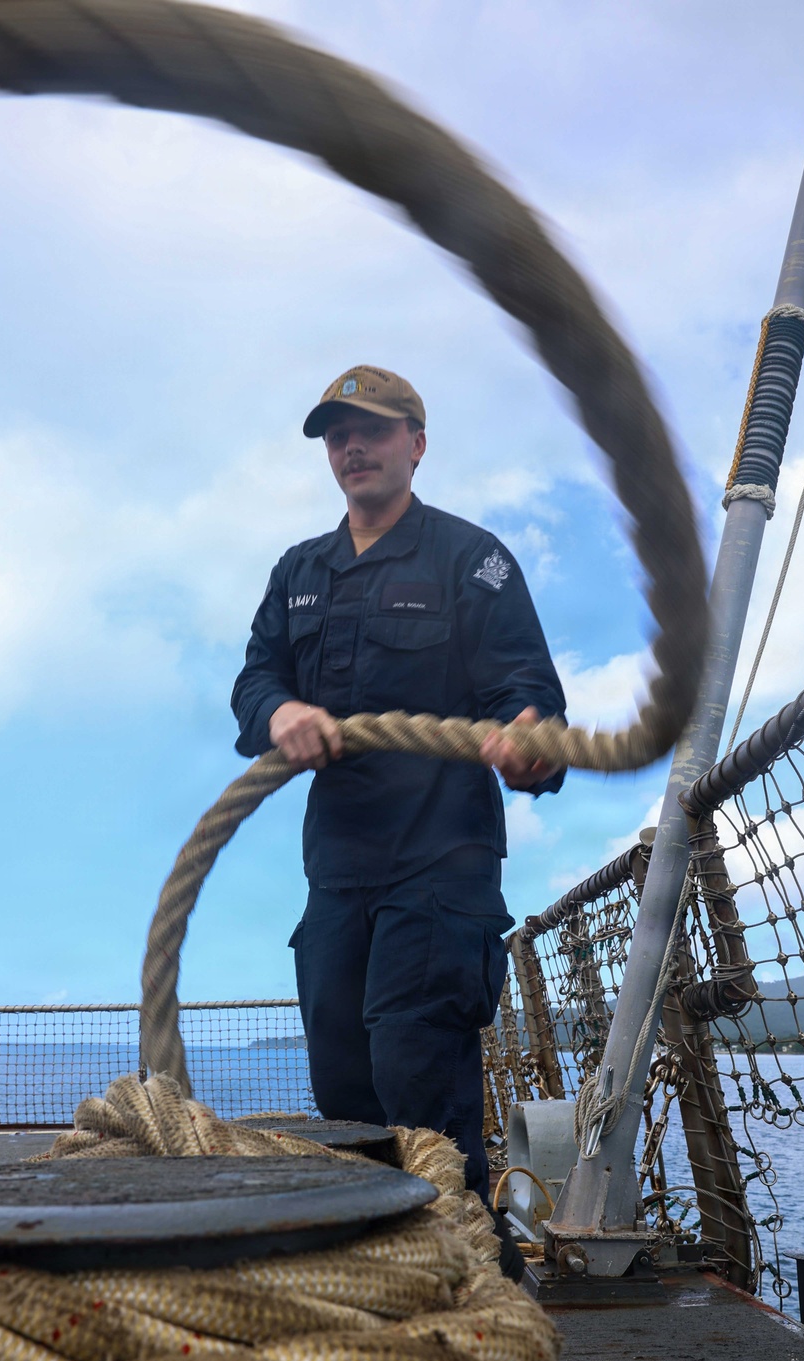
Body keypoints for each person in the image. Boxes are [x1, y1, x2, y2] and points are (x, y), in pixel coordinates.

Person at [231, 365, 566, 1204]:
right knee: (344, 1090)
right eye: (338, 436)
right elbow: (255, 680)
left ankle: (468, 1268)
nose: (353, 448)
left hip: (440, 871)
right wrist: (279, 713)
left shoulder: (472, 560)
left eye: (373, 431)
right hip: (337, 875)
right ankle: (382, 1269)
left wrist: (528, 739)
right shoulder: (298, 571)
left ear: (416, 445)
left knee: (420, 1093)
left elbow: (526, 691)